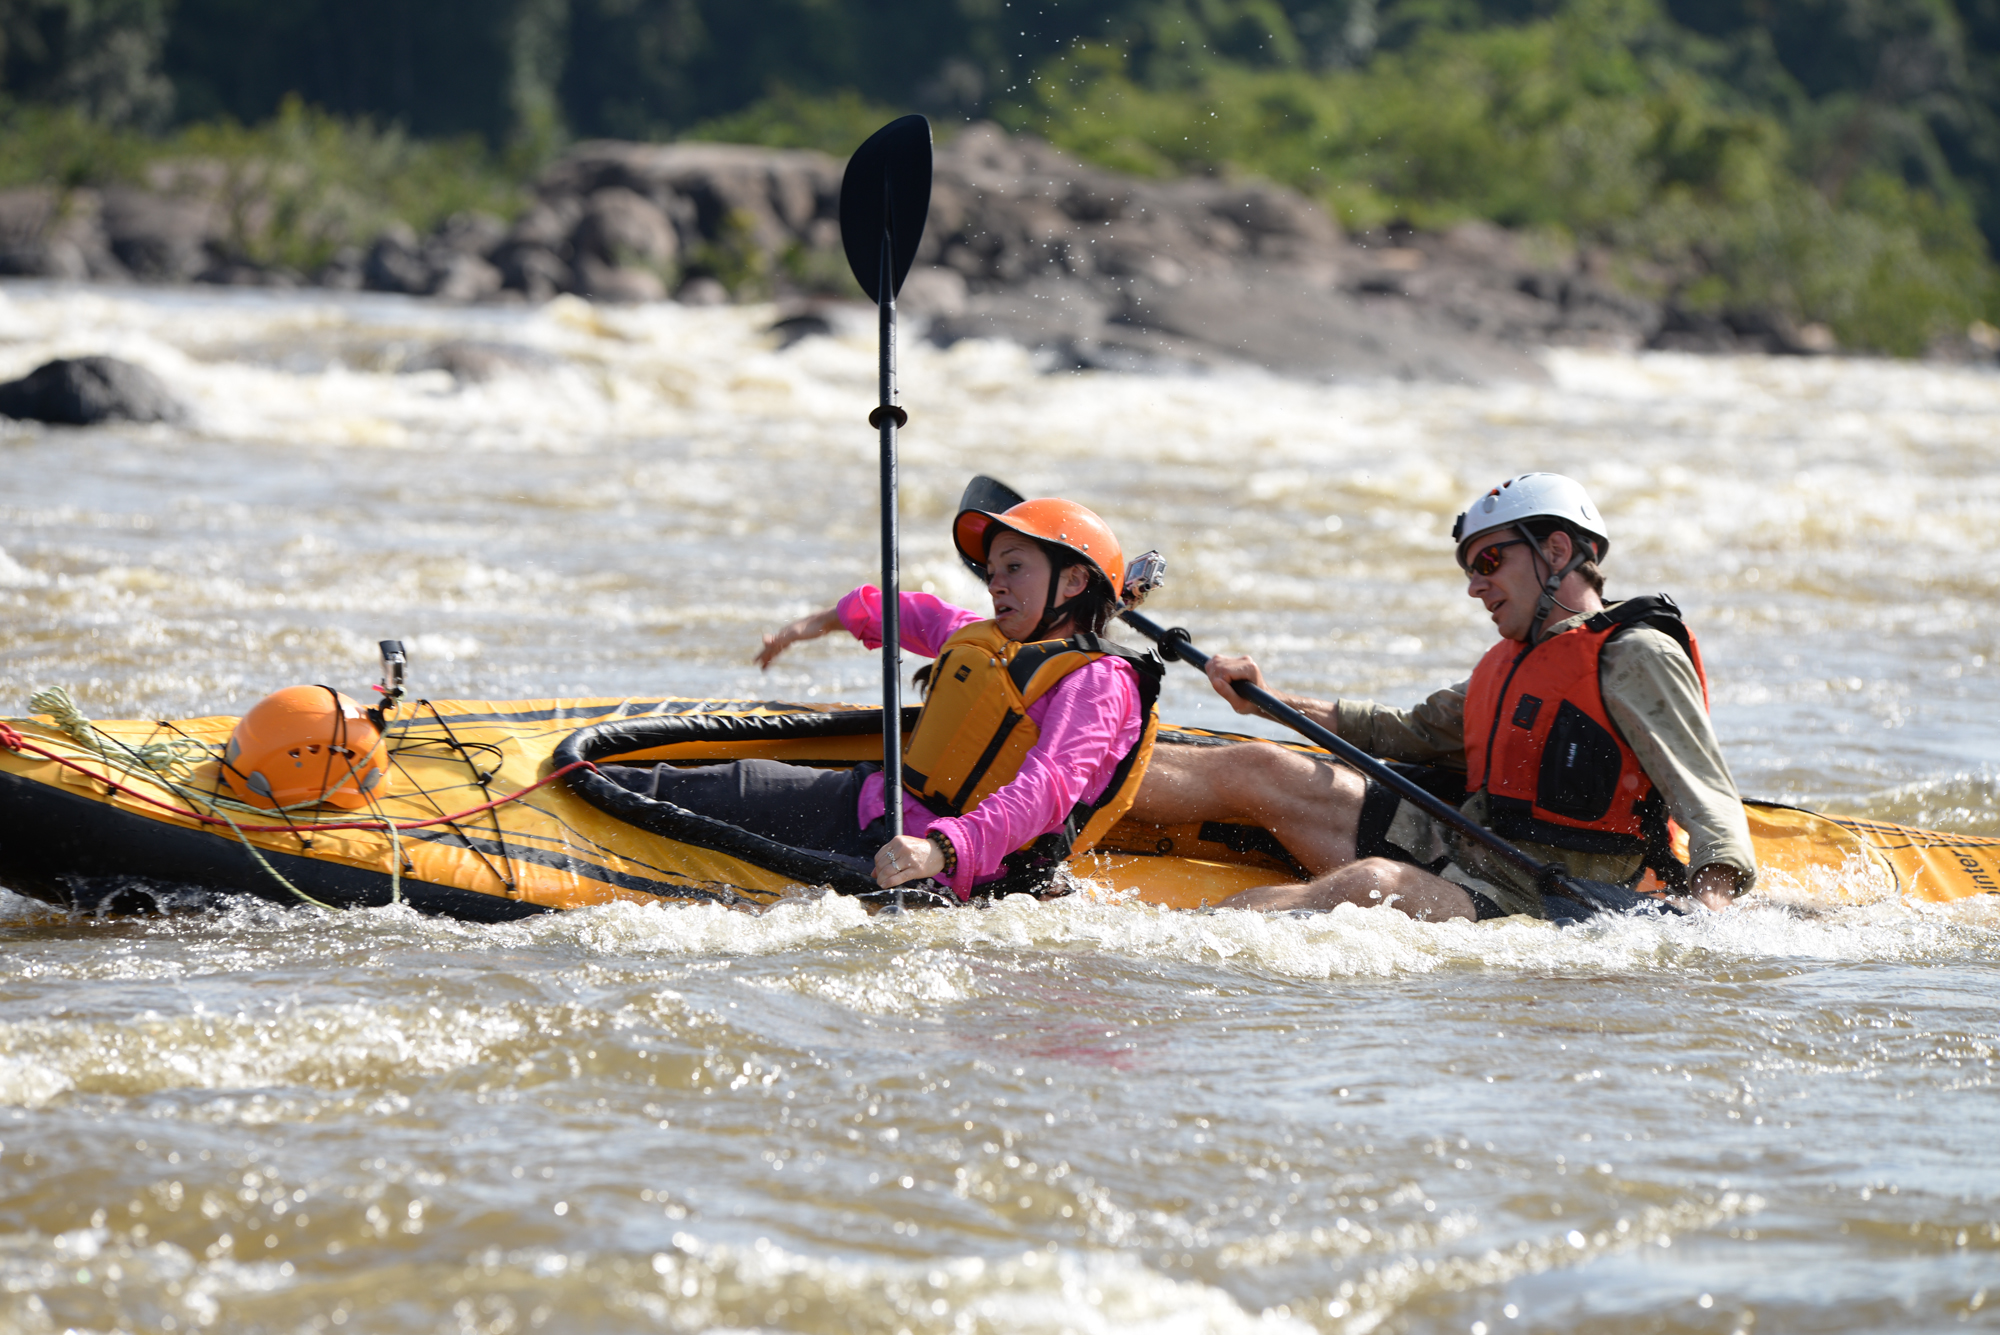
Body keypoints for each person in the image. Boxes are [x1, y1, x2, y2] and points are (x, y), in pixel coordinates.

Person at [1127, 472, 1756, 921]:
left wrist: (1711, 909)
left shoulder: (1635, 656)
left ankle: (1159, 941)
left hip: (1543, 894)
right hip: (1463, 846)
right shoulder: (1511, 664)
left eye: (1488, 563)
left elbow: (1709, 800)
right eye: (1468, 571)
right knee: (1259, 764)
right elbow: (1402, 733)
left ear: (1557, 551)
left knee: (1371, 886)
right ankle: (1054, 794)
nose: (1475, 588)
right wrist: (1266, 699)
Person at [602, 498, 1162, 901]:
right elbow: (906, 612)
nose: (995, 584)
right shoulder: (989, 640)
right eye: (992, 571)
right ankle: (579, 793)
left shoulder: (1098, 682)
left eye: (1015, 567)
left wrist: (941, 850)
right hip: (874, 804)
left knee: (729, 808)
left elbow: (1047, 792)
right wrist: (813, 624)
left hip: (936, 866)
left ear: (1072, 583)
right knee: (733, 784)